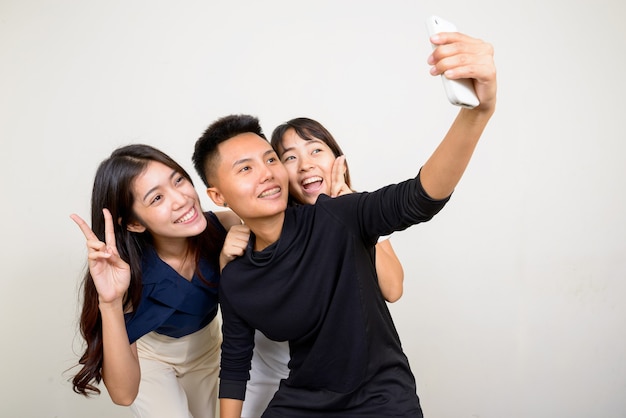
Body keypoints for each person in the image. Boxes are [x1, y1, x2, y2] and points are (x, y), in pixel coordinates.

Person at [192, 30, 496, 417]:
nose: (268, 173)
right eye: (246, 168)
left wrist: (477, 111)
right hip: (303, 400)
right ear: (218, 194)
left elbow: (418, 198)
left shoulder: (337, 215)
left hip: (380, 399)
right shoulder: (235, 275)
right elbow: (235, 361)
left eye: (270, 159)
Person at [223, 118, 406, 417]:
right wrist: (230, 240)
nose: (305, 165)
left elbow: (393, 289)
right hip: (285, 373)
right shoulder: (273, 221)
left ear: (338, 160)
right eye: (290, 158)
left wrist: (352, 213)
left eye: (316, 150)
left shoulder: (359, 210)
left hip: (356, 377)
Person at [70, 144, 240, 418]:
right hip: (151, 360)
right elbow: (124, 395)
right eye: (157, 198)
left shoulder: (229, 227)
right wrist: (110, 302)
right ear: (134, 223)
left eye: (178, 180)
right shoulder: (127, 274)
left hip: (209, 350)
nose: (182, 199)